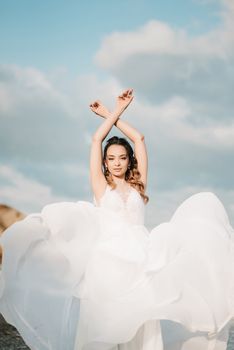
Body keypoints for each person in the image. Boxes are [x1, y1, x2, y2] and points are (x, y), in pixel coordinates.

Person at [0, 89, 233, 350]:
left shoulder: (138, 186)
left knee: (141, 325)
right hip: (107, 264)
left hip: (142, 260)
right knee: (105, 328)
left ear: (129, 160)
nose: (117, 163)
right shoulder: (101, 186)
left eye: (122, 158)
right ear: (105, 162)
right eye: (111, 159)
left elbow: (139, 138)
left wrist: (114, 113)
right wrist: (112, 113)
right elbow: (97, 138)